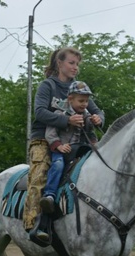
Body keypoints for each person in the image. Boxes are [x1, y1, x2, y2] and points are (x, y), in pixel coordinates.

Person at [23, 47, 105, 237]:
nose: (75, 67)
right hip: (44, 138)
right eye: (71, 63)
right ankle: (33, 223)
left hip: (76, 140)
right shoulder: (48, 86)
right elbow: (40, 112)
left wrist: (98, 119)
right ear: (59, 63)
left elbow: (97, 111)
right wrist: (66, 120)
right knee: (40, 173)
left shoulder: (79, 88)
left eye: (77, 64)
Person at [39, 81, 98, 221]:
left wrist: (96, 142)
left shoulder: (86, 115)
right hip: (62, 150)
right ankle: (50, 195)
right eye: (81, 101)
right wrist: (59, 145)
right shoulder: (60, 113)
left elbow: (90, 133)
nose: (84, 104)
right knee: (58, 164)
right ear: (70, 99)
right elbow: (50, 134)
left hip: (80, 150)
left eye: (87, 101)